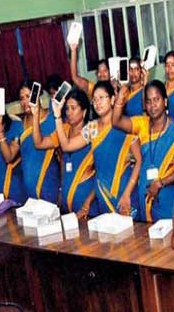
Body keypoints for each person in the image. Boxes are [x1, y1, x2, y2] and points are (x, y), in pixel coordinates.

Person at [56, 81, 141, 217]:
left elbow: (139, 161)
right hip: (103, 198)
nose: (97, 103)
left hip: (125, 197)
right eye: (94, 99)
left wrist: (127, 193)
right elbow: (66, 146)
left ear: (113, 99)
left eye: (102, 98)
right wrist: (57, 116)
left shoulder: (125, 125)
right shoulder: (92, 128)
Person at [112, 81, 174, 223]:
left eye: (156, 100)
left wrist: (160, 183)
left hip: (168, 198)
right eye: (148, 101)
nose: (152, 105)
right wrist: (121, 95)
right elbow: (116, 121)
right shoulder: (142, 124)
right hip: (144, 196)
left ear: (165, 101)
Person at [33, 89, 97, 218]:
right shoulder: (65, 129)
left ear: (84, 112)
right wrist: (35, 115)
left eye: (73, 108)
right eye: (67, 108)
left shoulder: (92, 130)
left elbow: (66, 146)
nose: (69, 112)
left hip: (88, 205)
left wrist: (87, 203)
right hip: (68, 203)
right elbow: (39, 143)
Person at [17, 80, 59, 203]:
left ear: (38, 96)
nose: (25, 102)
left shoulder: (53, 119)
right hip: (28, 190)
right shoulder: (21, 124)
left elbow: (62, 156)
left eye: (28, 96)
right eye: (22, 98)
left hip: (49, 186)